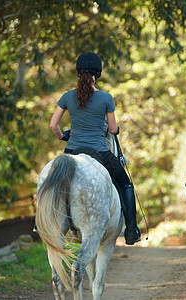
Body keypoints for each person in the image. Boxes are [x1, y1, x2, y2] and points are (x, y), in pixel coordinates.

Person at [49, 52, 141, 245]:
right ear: (97, 74)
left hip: (72, 151)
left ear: (78, 73)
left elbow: (53, 125)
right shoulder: (106, 98)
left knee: (53, 182)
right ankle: (131, 229)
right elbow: (113, 129)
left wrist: (63, 136)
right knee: (125, 183)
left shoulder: (67, 97)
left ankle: (39, 223)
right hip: (99, 152)